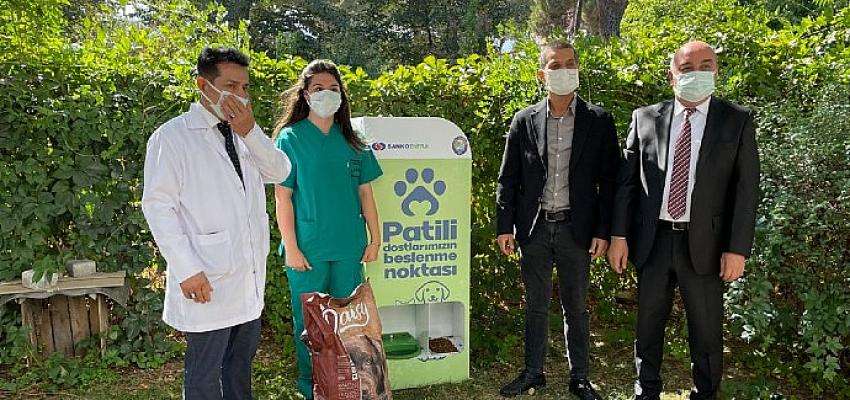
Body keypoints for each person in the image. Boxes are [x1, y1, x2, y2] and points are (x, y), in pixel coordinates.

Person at [607, 41, 760, 400]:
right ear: (672, 75)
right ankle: (646, 391)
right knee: (648, 326)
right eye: (687, 68)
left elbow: (746, 190)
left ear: (716, 71)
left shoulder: (736, 120)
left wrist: (737, 249)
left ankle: (705, 393)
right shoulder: (645, 118)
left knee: (706, 332)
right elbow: (626, 183)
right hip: (654, 242)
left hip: (706, 244)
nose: (697, 74)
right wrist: (618, 235)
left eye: (706, 66)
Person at [142, 47, 291, 399]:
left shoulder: (244, 134)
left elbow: (280, 171)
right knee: (205, 374)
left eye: (245, 88)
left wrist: (251, 132)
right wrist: (187, 269)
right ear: (203, 86)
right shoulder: (173, 137)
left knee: (239, 367)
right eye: (230, 86)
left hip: (247, 275)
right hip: (206, 276)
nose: (239, 95)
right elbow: (158, 207)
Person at [495, 40, 621, 400]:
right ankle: (533, 372)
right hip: (534, 229)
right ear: (542, 74)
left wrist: (604, 231)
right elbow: (508, 178)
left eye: (569, 63)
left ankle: (579, 378)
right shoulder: (524, 120)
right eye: (555, 65)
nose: (563, 70)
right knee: (535, 305)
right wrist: (505, 226)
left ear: (577, 69)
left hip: (576, 230)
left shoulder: (599, 121)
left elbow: (610, 182)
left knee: (576, 307)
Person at [272, 59, 383, 399]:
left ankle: (347, 386)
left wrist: (375, 239)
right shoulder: (290, 139)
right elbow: (282, 197)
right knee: (311, 324)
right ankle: (313, 387)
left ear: (342, 96)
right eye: (318, 88)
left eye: (333, 89)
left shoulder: (353, 141)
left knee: (348, 322)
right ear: (305, 95)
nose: (326, 94)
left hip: (348, 246)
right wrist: (291, 247)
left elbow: (365, 194)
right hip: (307, 250)